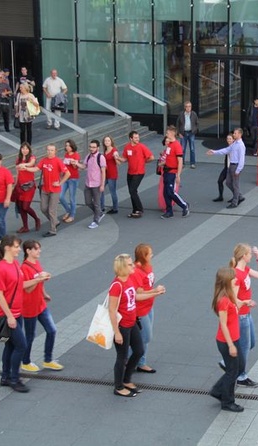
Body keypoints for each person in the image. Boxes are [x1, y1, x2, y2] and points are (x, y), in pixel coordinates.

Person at [216, 244, 258, 388]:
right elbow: (232, 297)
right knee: (244, 347)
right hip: (241, 316)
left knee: (251, 343)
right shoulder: (236, 275)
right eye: (250, 254)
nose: (251, 255)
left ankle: (226, 362)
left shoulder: (244, 269)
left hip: (246, 314)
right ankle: (241, 375)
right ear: (243, 256)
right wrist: (245, 302)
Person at [210, 266, 257, 412]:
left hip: (233, 338)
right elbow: (223, 324)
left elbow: (234, 306)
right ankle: (228, 402)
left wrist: (245, 302)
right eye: (233, 277)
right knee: (233, 371)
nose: (236, 279)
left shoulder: (229, 295)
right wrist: (231, 345)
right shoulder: (223, 300)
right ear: (227, 280)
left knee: (234, 369)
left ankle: (218, 390)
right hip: (226, 340)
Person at [19, 239, 64, 373]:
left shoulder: (36, 263)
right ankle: (25, 362)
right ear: (28, 251)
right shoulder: (24, 268)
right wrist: (39, 279)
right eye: (36, 249)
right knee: (30, 335)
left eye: (39, 248)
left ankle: (48, 360)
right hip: (29, 307)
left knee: (52, 330)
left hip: (40, 304)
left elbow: (39, 283)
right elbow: (27, 289)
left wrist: (44, 293)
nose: (39, 251)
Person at [0, 234, 29, 393]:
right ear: (7, 248)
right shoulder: (1, 268)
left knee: (10, 346)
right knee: (21, 346)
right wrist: (9, 316)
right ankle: (14, 379)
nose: (19, 249)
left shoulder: (14, 263)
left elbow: (20, 285)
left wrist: (38, 282)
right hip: (8, 315)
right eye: (16, 246)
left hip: (16, 313)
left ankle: (5, 377)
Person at [108, 254, 145, 397]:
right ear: (122, 267)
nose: (133, 266)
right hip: (122, 326)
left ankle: (126, 379)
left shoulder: (128, 280)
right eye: (130, 265)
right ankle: (118, 386)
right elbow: (112, 310)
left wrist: (155, 293)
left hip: (132, 322)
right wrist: (116, 332)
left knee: (139, 351)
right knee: (122, 357)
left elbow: (135, 297)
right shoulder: (116, 285)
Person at [131, 244, 166, 373]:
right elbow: (138, 293)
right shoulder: (136, 272)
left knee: (143, 337)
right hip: (140, 310)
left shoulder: (147, 267)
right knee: (145, 337)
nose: (152, 255)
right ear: (144, 256)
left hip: (148, 306)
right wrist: (155, 291)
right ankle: (130, 360)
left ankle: (140, 362)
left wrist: (154, 292)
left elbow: (147, 286)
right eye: (150, 253)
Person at [28, 144, 71, 237]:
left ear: (55, 151)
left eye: (51, 150)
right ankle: (55, 221)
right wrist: (26, 168)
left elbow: (67, 173)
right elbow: (36, 168)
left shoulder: (58, 161)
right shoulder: (44, 160)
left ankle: (53, 230)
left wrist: (60, 183)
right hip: (45, 189)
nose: (49, 152)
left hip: (55, 190)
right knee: (43, 208)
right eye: (48, 150)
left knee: (52, 210)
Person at [116, 130, 154, 218]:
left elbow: (151, 157)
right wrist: (117, 158)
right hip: (130, 172)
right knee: (132, 192)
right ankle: (135, 210)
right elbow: (124, 159)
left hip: (139, 172)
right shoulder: (127, 147)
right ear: (131, 138)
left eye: (138, 137)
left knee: (132, 190)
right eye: (135, 137)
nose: (137, 139)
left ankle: (139, 209)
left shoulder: (142, 147)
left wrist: (144, 162)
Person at [207, 128, 246, 207]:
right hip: (231, 165)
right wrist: (214, 152)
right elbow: (226, 150)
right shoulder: (235, 144)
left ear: (239, 134)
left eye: (235, 133)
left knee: (235, 184)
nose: (234, 134)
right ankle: (239, 196)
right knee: (228, 182)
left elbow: (242, 159)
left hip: (235, 165)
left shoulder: (241, 145)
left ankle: (235, 202)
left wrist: (238, 170)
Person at [159, 126, 190, 218]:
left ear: (173, 133)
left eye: (167, 133)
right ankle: (169, 211)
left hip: (172, 172)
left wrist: (178, 175)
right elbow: (169, 158)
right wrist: (162, 163)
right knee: (165, 193)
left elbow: (180, 161)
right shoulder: (170, 145)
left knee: (170, 192)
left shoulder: (176, 145)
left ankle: (184, 205)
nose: (166, 134)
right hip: (166, 171)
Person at [76, 140, 106, 229]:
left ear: (97, 148)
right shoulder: (88, 156)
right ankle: (99, 213)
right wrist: (77, 163)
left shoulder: (100, 157)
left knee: (97, 203)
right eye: (90, 147)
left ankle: (95, 220)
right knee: (88, 202)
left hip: (96, 184)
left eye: (93, 147)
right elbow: (84, 166)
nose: (91, 149)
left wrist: (102, 184)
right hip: (88, 183)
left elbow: (103, 172)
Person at [13, 143, 41, 233]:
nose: (25, 150)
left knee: (25, 206)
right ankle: (25, 226)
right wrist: (15, 184)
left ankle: (37, 219)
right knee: (21, 207)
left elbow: (32, 163)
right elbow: (17, 173)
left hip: (29, 186)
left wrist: (23, 165)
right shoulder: (18, 159)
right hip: (20, 185)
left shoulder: (31, 157)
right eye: (23, 148)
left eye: (26, 148)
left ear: (29, 150)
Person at [59, 140, 81, 224]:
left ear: (72, 146)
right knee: (60, 196)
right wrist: (61, 175)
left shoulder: (76, 155)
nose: (67, 147)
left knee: (72, 198)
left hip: (73, 178)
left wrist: (73, 163)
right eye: (66, 145)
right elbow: (63, 166)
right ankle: (68, 210)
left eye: (69, 145)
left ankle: (72, 215)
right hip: (65, 178)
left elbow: (76, 167)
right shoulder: (66, 154)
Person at [176, 101, 199, 168]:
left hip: (191, 133)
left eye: (190, 106)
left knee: (192, 149)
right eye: (187, 106)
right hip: (183, 133)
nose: (188, 108)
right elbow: (177, 124)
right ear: (184, 107)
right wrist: (179, 133)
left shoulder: (194, 114)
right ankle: (182, 163)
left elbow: (197, 123)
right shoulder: (181, 114)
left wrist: (195, 130)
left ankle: (192, 163)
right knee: (182, 149)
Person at [100, 135, 119, 214]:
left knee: (112, 191)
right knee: (100, 189)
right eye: (105, 141)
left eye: (108, 141)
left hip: (112, 174)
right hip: (105, 174)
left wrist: (115, 157)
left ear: (111, 141)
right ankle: (101, 207)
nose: (107, 142)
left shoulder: (114, 150)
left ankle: (115, 208)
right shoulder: (105, 151)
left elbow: (118, 163)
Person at [212, 133, 233, 202]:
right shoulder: (228, 147)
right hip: (226, 167)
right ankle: (220, 196)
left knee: (230, 183)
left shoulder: (234, 147)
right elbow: (222, 151)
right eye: (227, 139)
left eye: (230, 139)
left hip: (232, 168)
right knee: (220, 181)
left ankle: (237, 196)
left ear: (233, 139)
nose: (228, 140)